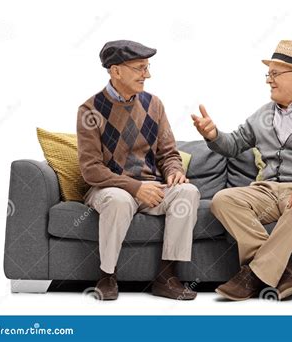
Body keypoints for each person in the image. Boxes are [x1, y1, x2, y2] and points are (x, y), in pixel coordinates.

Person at [192, 40, 292, 301]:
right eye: (268, 74)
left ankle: (251, 276)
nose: (268, 81)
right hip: (268, 192)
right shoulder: (263, 114)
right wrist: (213, 134)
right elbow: (233, 144)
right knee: (223, 200)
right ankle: (283, 272)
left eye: (275, 74)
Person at [77, 40, 200, 300]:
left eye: (147, 67)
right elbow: (91, 170)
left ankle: (166, 276)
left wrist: (174, 171)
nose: (148, 75)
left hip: (151, 187)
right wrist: (135, 187)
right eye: (140, 68)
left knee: (188, 192)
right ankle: (107, 276)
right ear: (115, 71)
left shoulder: (154, 104)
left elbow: (168, 153)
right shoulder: (90, 110)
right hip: (109, 189)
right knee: (119, 201)